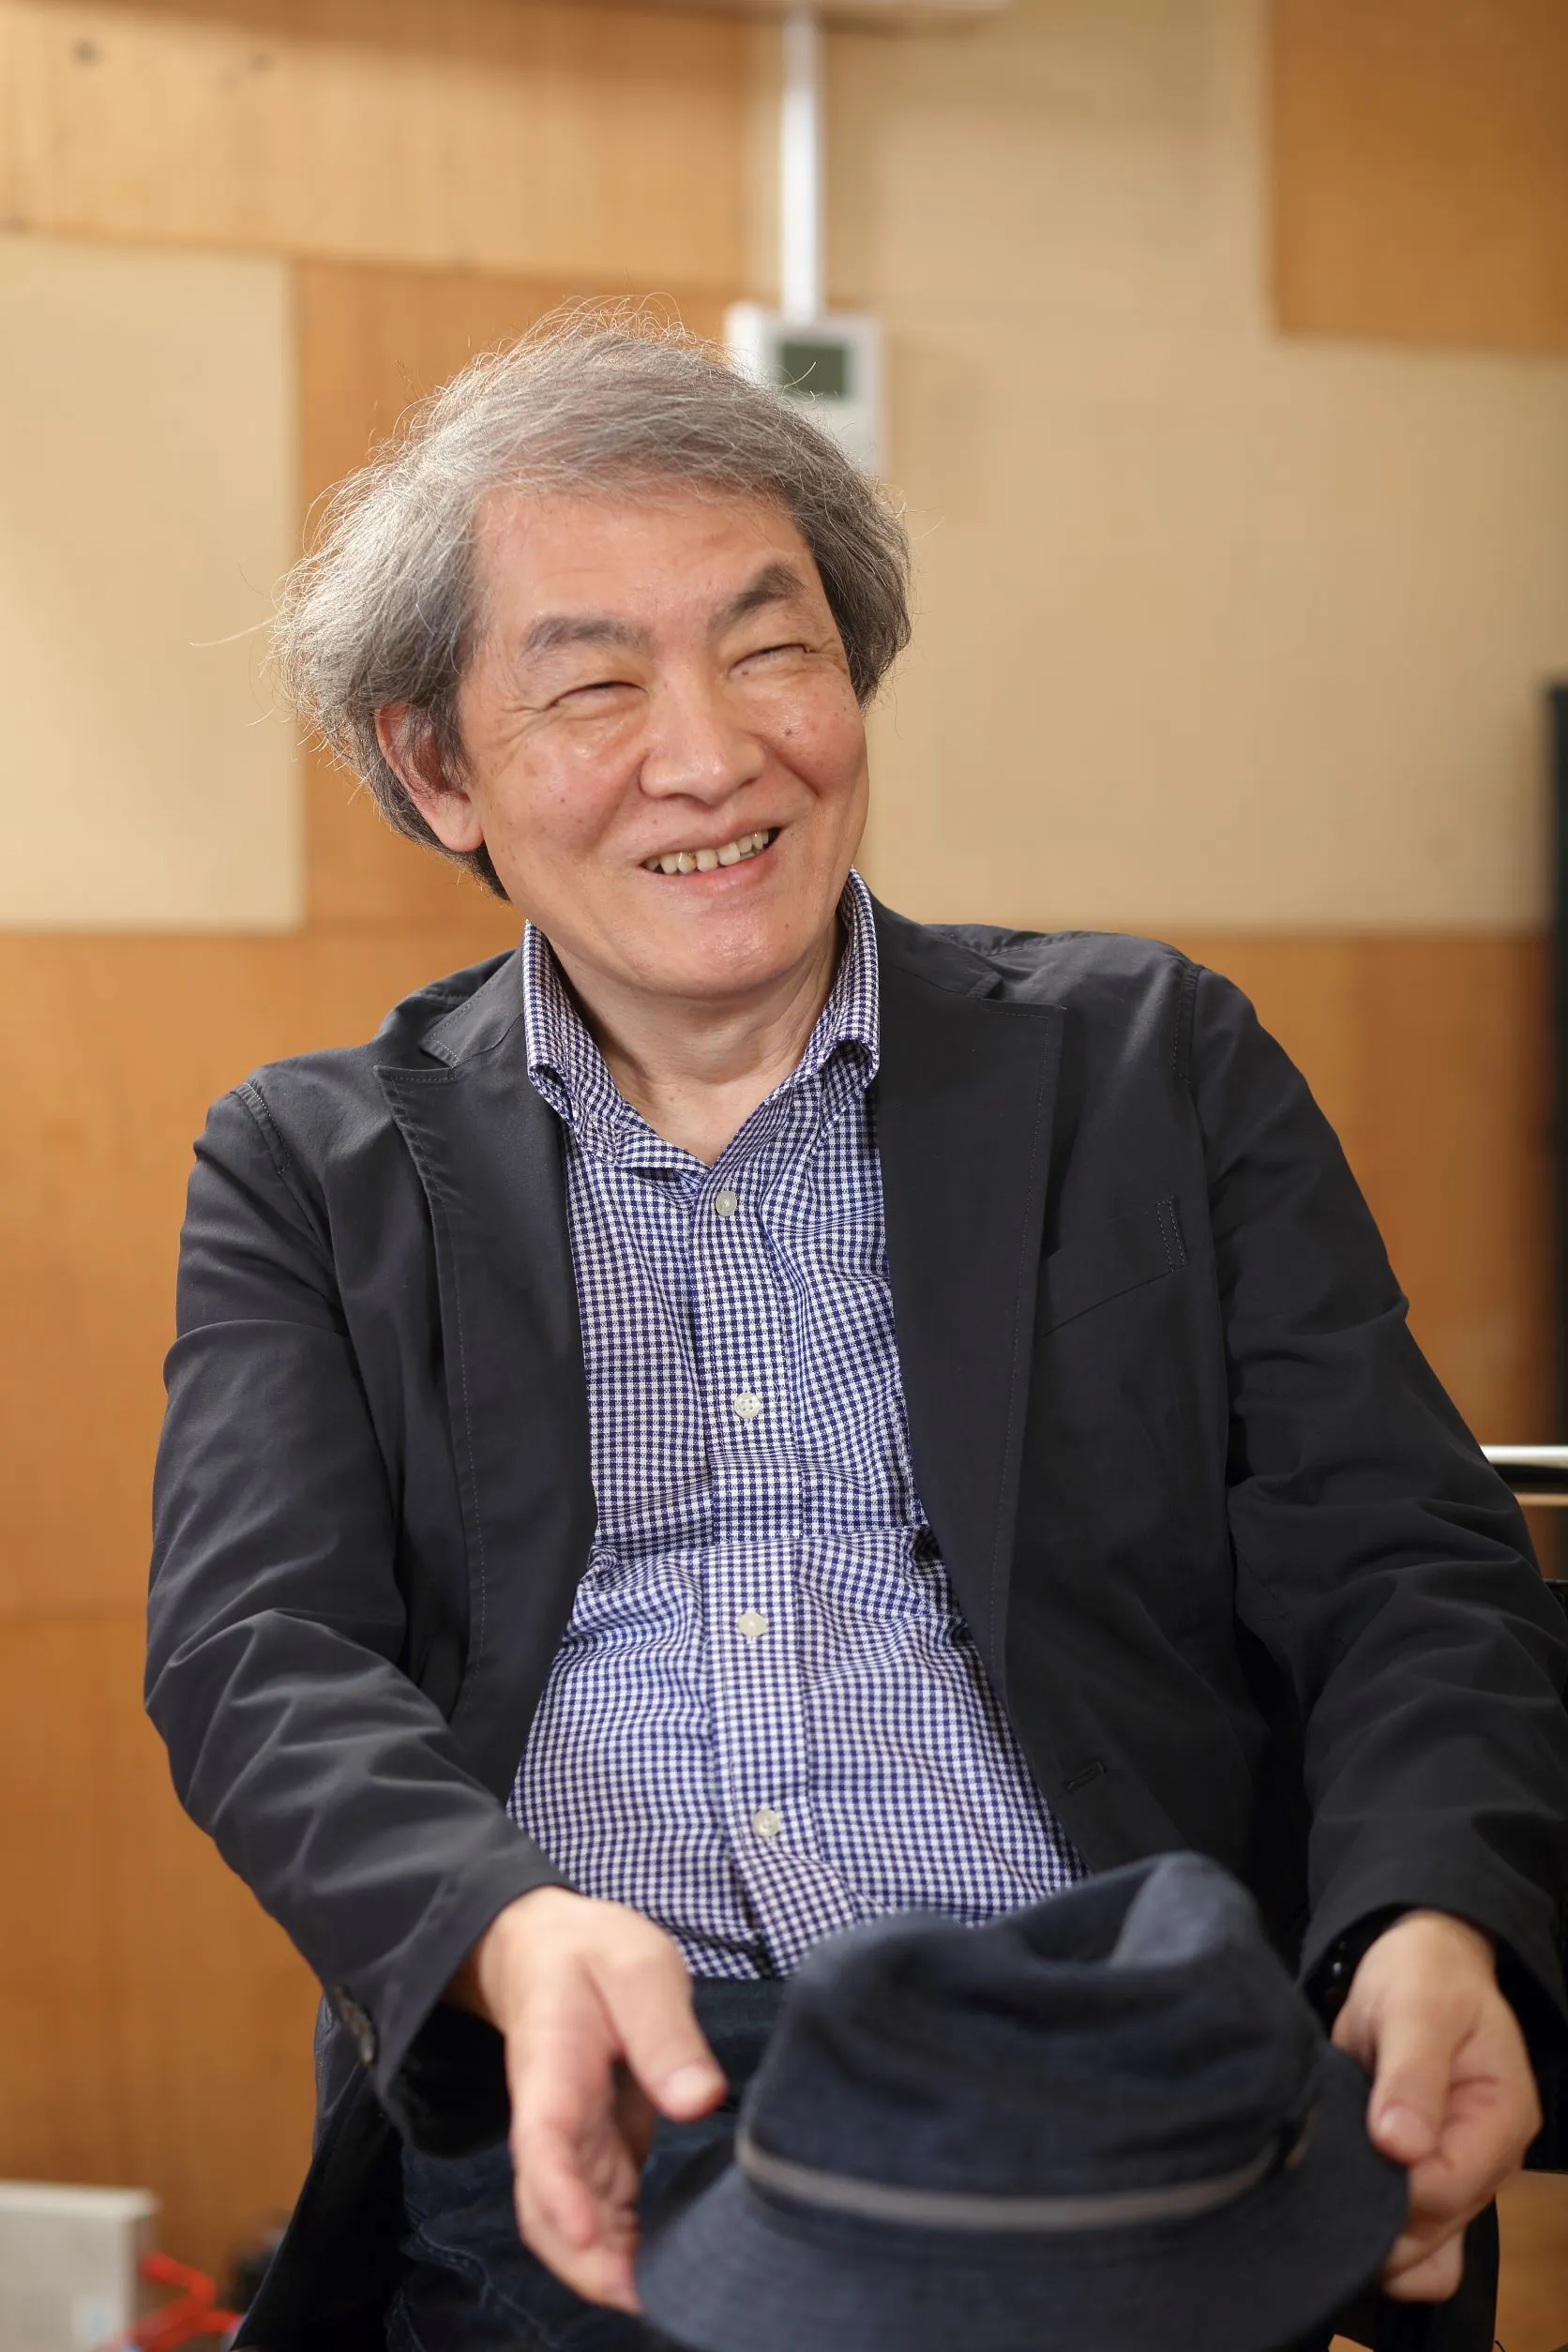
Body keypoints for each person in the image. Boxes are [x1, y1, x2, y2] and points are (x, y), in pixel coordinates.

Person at [145, 316, 1568, 2352]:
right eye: (594, 684)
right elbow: (257, 1652)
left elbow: (1405, 1562)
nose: (712, 753)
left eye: (770, 647)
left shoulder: (1153, 1065)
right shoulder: (312, 1164)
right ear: (436, 768)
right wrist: (507, 1935)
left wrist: (1434, 1916)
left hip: (1109, 2077)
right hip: (620, 2096)